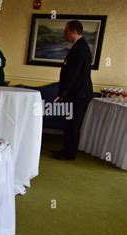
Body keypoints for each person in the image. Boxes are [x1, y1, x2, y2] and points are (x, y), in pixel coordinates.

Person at [54, 20, 94, 160]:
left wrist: (64, 93)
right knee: (69, 122)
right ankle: (65, 150)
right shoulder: (79, 46)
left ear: (73, 31)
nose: (65, 34)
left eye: (66, 31)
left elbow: (75, 74)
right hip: (76, 93)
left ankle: (69, 154)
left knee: (73, 124)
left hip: (79, 94)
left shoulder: (80, 48)